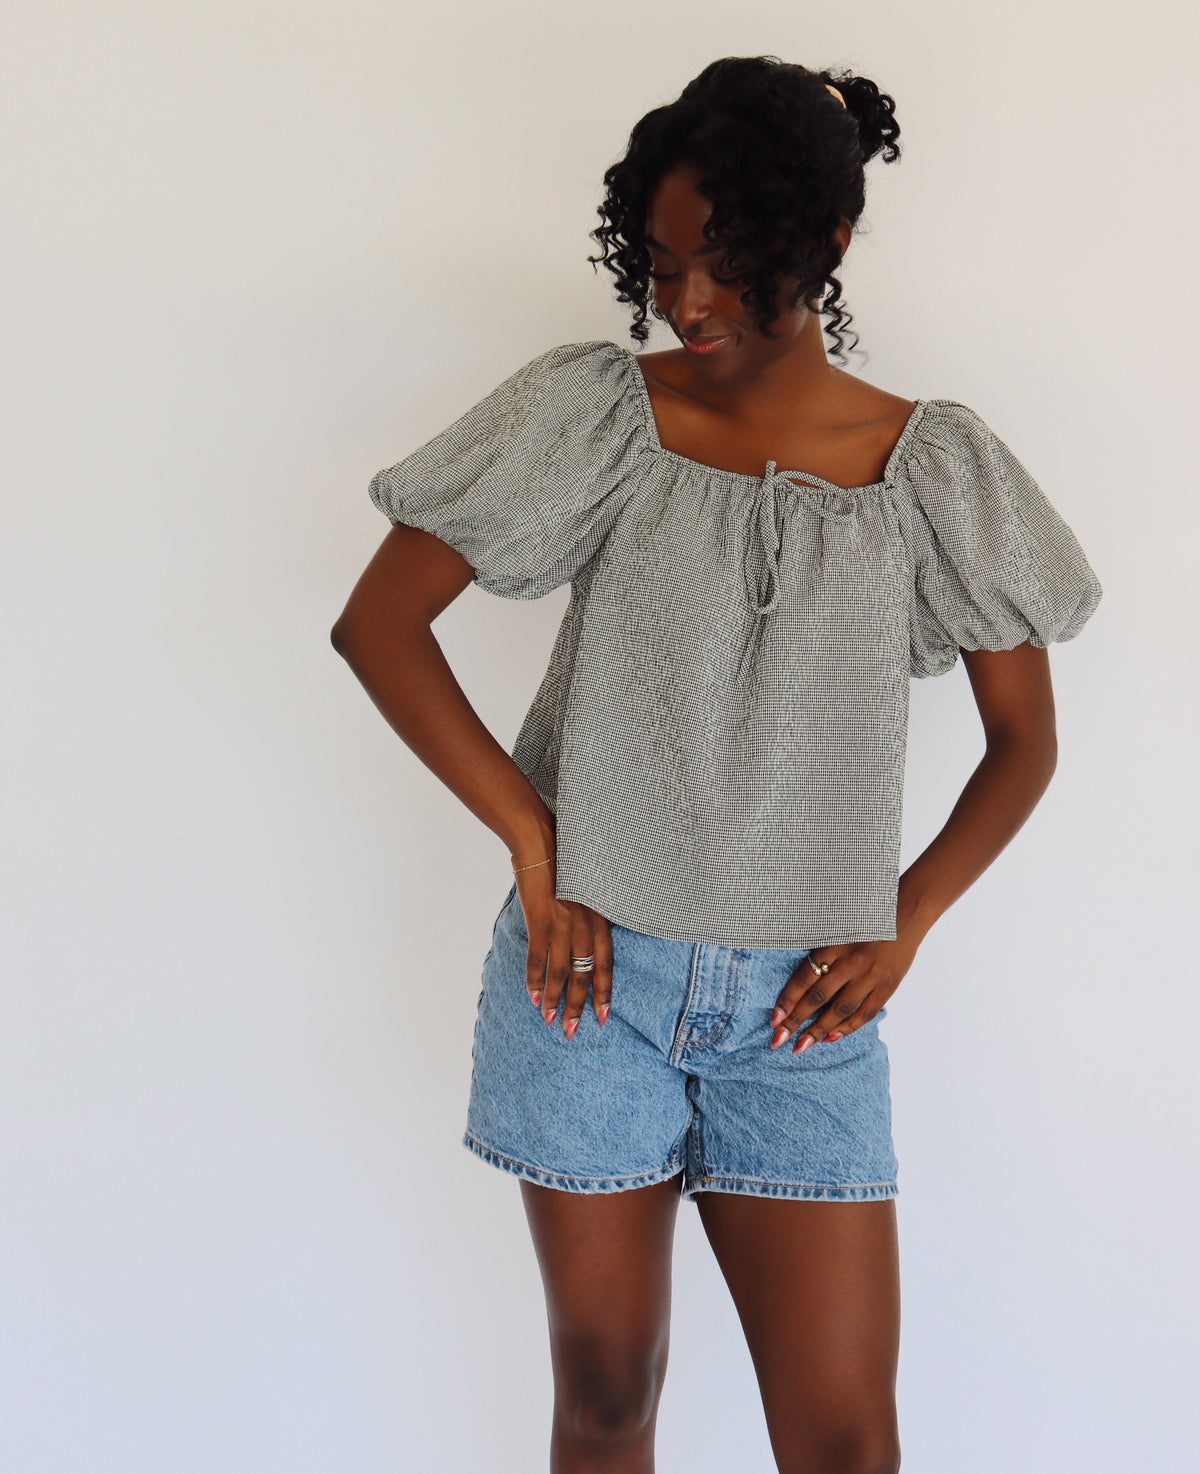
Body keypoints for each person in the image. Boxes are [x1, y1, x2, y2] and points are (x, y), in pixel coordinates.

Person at [332, 55, 1103, 1474]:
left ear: (827, 245)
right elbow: (379, 625)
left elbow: (1025, 742)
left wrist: (907, 918)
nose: (685, 304)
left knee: (844, 1438)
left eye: (727, 267)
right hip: (588, 983)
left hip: (803, 1014)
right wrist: (533, 841)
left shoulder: (931, 470)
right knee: (610, 1395)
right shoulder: (600, 418)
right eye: (666, 262)